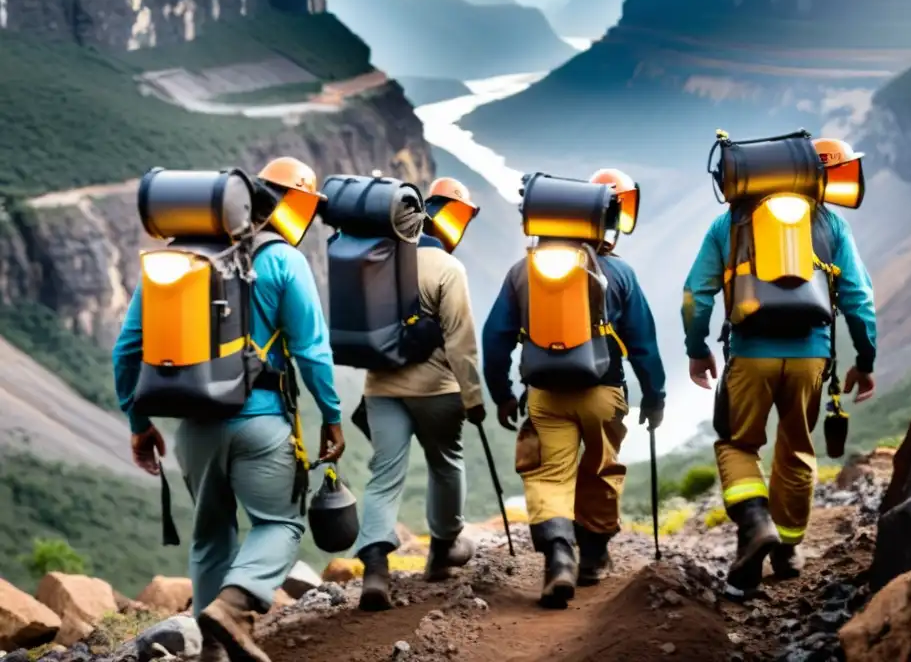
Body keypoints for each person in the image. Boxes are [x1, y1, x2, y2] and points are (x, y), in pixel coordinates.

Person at [113, 157, 343, 662]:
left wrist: (138, 424)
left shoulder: (177, 261)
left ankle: (213, 651)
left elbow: (127, 351)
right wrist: (331, 415)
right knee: (280, 524)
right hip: (261, 422)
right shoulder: (283, 260)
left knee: (210, 534)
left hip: (193, 429)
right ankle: (235, 607)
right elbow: (312, 352)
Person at [683, 137, 877, 599]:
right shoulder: (830, 224)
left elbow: (697, 294)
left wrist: (697, 348)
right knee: (796, 447)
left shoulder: (729, 222)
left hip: (750, 354)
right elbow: (859, 300)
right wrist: (864, 361)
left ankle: (754, 524)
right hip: (812, 356)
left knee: (737, 442)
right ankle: (788, 550)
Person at [482, 168, 667, 608]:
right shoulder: (619, 273)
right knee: (601, 469)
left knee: (550, 475)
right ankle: (594, 557)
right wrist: (654, 395)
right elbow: (644, 343)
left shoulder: (520, 272)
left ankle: (559, 558)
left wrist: (502, 393)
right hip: (604, 394)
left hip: (545, 395)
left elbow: (495, 340)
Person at [352, 176, 486, 612]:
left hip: (381, 388)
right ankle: (443, 550)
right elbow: (461, 342)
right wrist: (474, 397)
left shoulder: (374, 260)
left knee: (384, 474)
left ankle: (375, 567)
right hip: (437, 391)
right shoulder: (448, 268)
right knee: (445, 462)